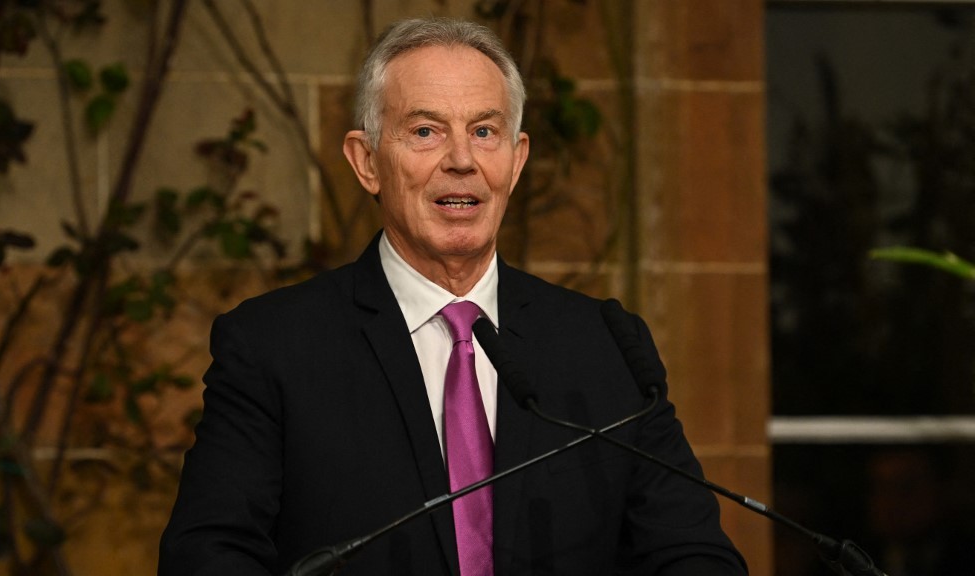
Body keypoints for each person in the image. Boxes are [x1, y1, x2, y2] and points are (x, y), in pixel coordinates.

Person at [159, 17, 747, 576]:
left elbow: (694, 555)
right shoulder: (273, 345)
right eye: (425, 132)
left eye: (484, 132)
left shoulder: (606, 348)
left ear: (516, 161)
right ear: (367, 162)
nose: (462, 161)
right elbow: (209, 554)